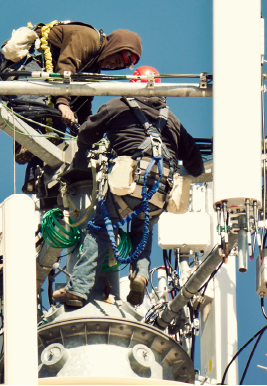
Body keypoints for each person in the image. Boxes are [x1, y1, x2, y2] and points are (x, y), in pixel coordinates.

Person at [52, 66, 205, 308]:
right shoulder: (174, 121)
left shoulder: (117, 105)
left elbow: (87, 133)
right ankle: (141, 275)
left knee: (99, 229)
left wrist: (86, 148)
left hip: (127, 185)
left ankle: (79, 289)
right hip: (159, 194)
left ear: (131, 84)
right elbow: (196, 166)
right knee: (142, 229)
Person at [0, 22, 143, 161]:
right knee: (39, 102)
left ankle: (36, 177)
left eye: (119, 66)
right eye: (117, 60)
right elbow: (66, 66)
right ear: (114, 47)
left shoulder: (93, 67)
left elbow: (82, 103)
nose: (113, 66)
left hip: (50, 81)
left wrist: (86, 131)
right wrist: (62, 103)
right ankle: (25, 142)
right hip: (22, 62)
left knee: (58, 128)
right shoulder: (88, 38)